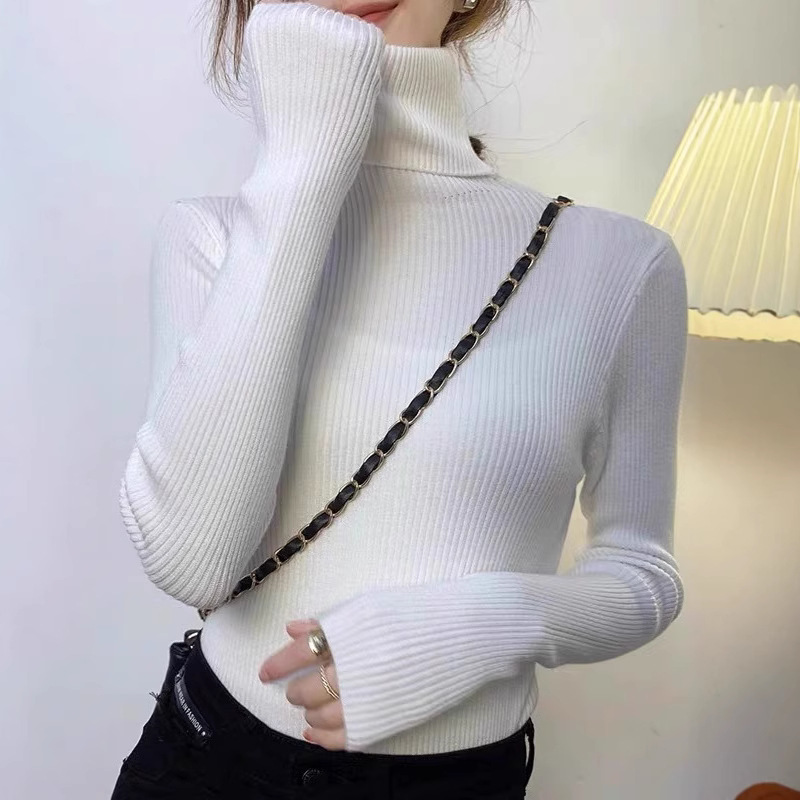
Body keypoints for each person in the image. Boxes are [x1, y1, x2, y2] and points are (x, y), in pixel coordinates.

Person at [109, 0, 689, 798]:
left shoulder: (618, 264)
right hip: (208, 758)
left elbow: (643, 571)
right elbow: (192, 560)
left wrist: (474, 625)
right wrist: (304, 160)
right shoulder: (210, 237)